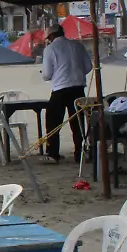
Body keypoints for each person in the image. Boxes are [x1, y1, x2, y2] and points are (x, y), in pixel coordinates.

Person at [41, 26, 92, 163]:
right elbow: (88, 67)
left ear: (51, 36)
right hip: (78, 87)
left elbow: (46, 75)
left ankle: (53, 153)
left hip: (60, 88)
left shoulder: (50, 49)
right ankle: (80, 152)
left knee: (53, 121)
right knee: (78, 122)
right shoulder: (77, 45)